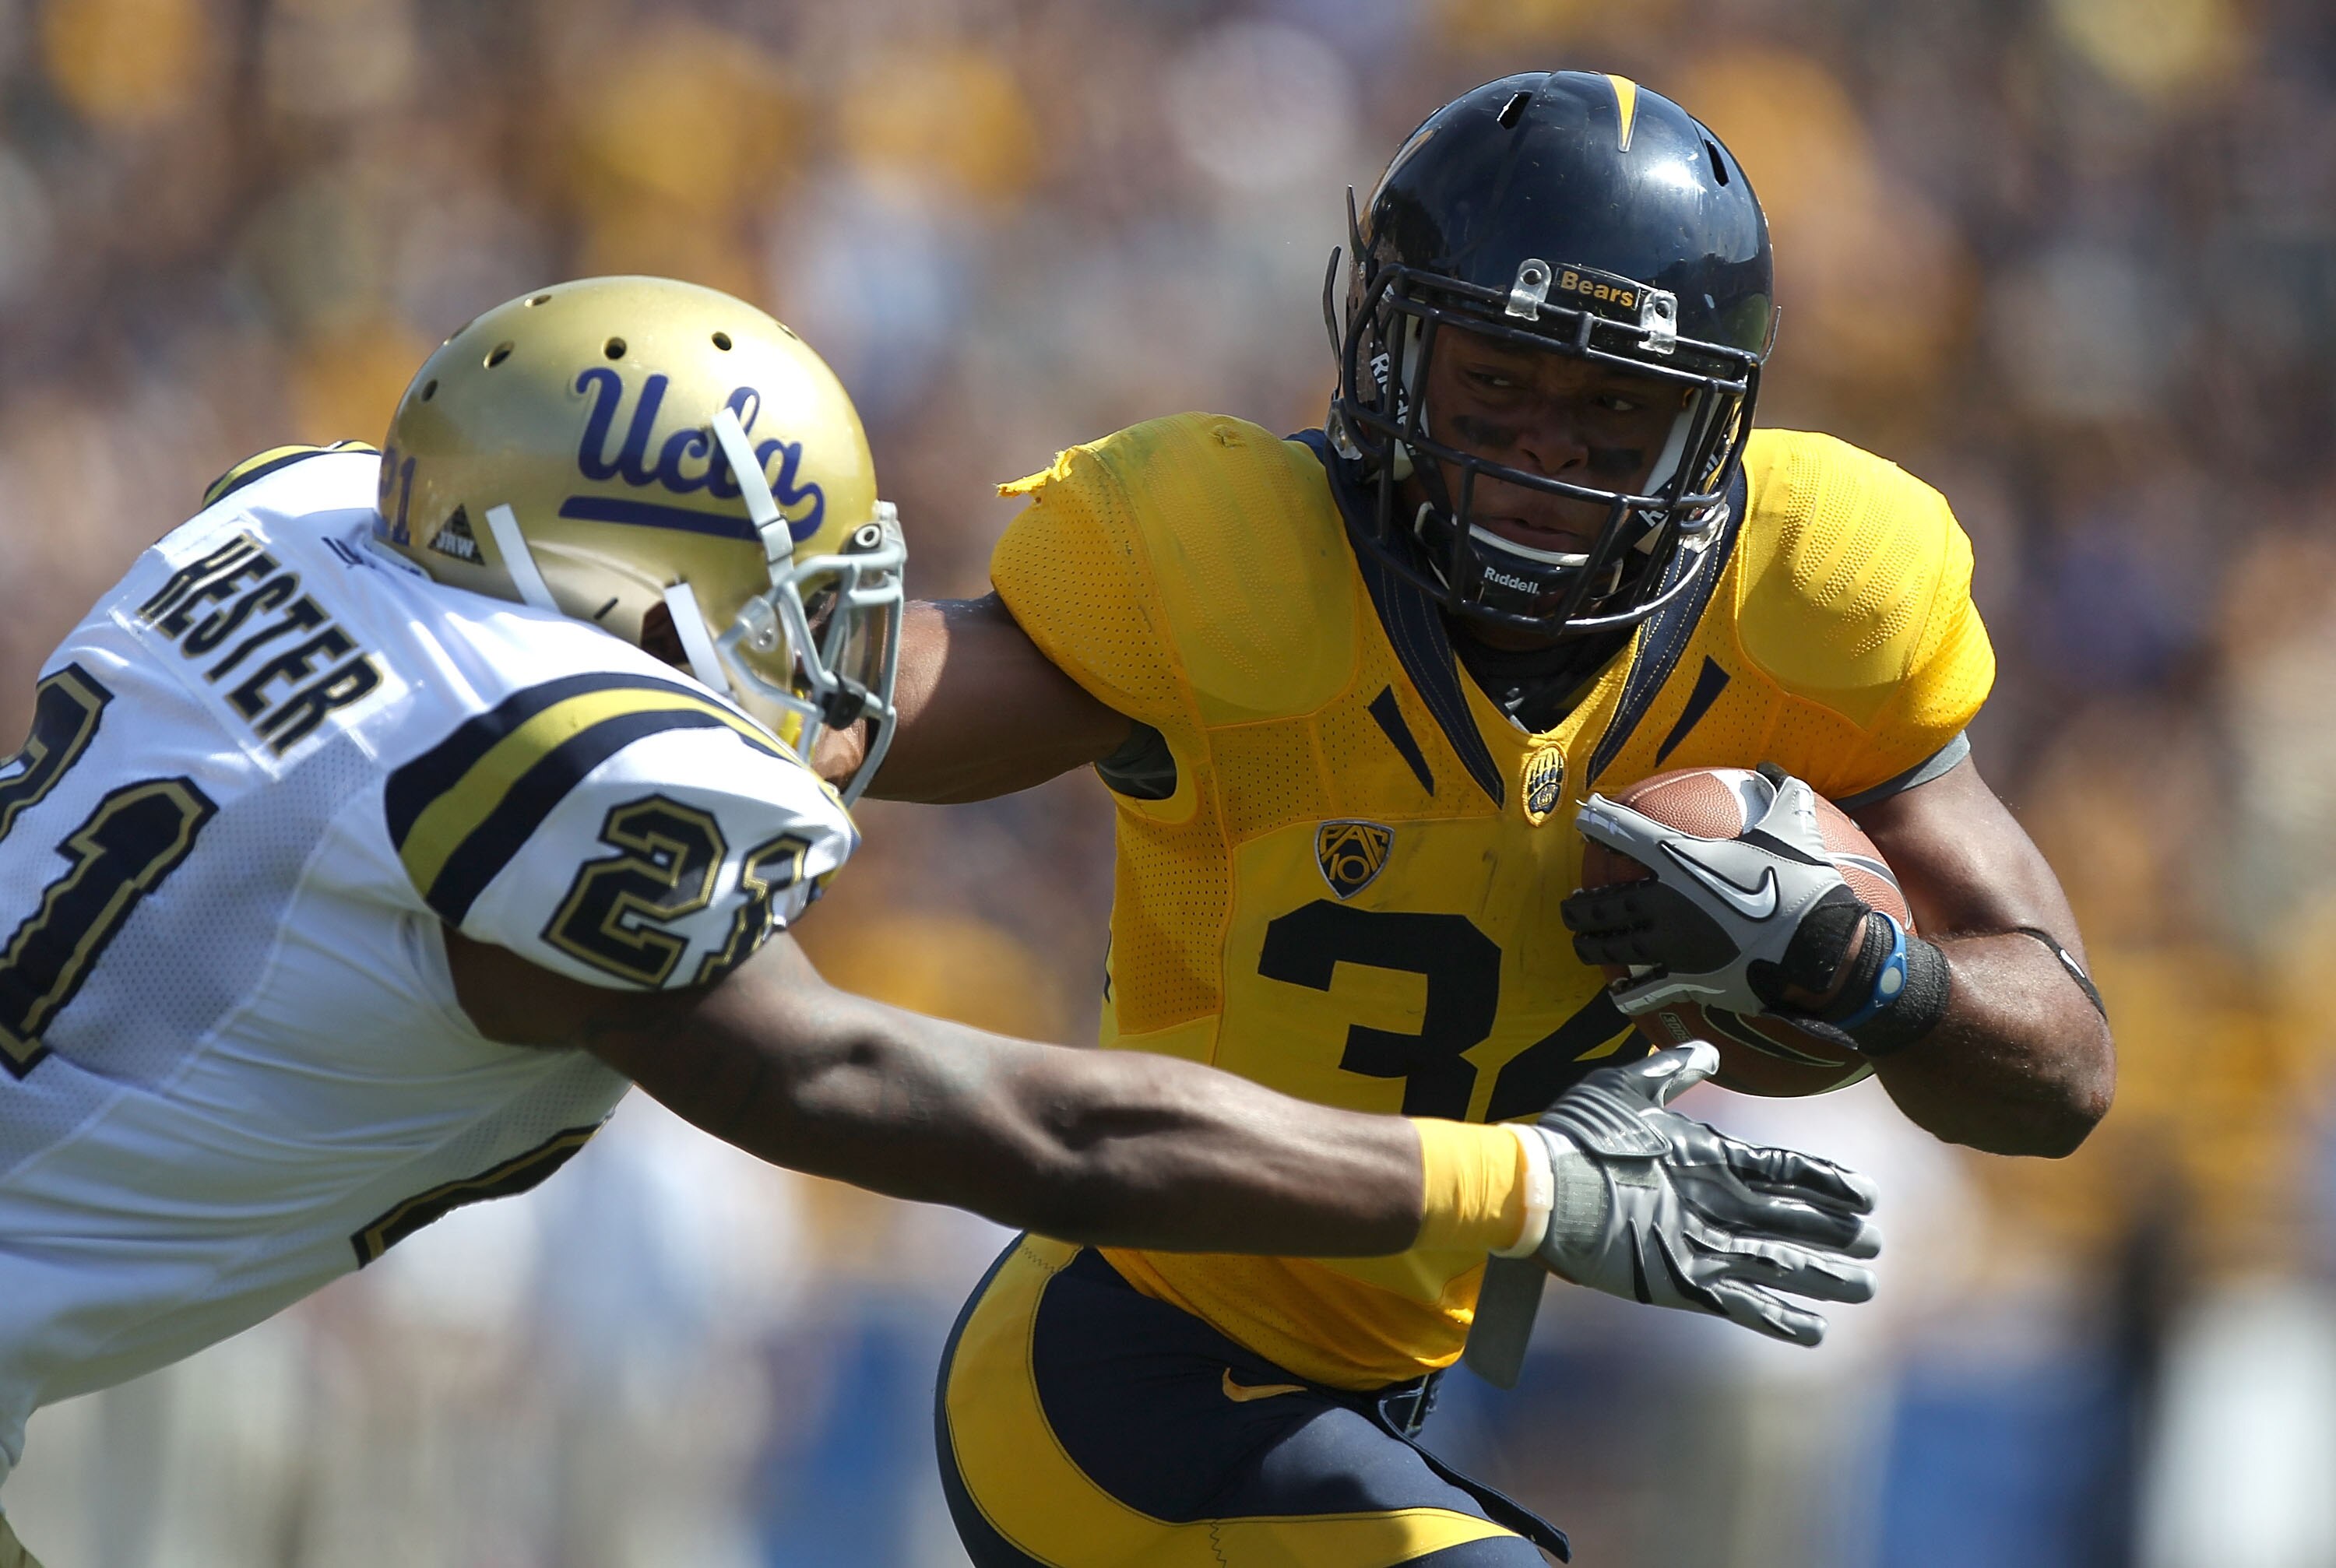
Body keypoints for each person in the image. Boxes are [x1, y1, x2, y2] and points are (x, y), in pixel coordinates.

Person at [0, 275, 1882, 1568]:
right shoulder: (564, 764)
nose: (821, 660)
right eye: (777, 593)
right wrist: (1531, 1189)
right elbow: (981, 1110)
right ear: (620, 596)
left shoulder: (303, 520)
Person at [834, 74, 2119, 1565]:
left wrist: (1869, 976)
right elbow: (893, 701)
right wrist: (735, 685)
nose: (1542, 451)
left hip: (1365, 1400)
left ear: (1707, 429)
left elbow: (2066, 1065)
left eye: (1612, 406)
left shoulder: (1811, 606)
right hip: (1123, 1367)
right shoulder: (1230, 561)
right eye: (1494, 378)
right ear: (1390, 348)